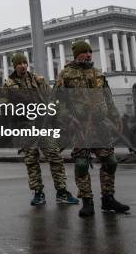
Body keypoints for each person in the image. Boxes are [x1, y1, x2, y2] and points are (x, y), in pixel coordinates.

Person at [54, 41, 130, 217]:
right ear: (76, 54)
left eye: (90, 51)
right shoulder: (65, 75)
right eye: (84, 52)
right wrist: (68, 118)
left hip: (101, 124)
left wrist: (115, 116)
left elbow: (108, 97)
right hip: (81, 126)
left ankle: (108, 198)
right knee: (81, 164)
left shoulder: (98, 73)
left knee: (110, 161)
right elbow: (57, 102)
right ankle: (87, 201)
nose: (88, 54)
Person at [3, 53, 79, 206]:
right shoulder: (8, 84)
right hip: (25, 126)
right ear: (15, 66)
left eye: (25, 62)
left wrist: (60, 119)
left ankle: (62, 192)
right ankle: (38, 193)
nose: (23, 65)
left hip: (43, 123)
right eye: (19, 63)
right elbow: (4, 106)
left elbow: (52, 100)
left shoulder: (38, 80)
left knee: (55, 157)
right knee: (31, 161)